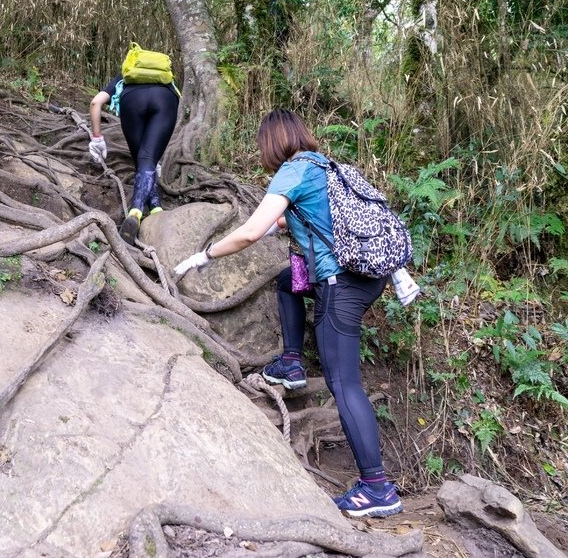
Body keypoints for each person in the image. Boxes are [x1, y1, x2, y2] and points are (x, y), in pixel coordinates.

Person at [172, 109, 403, 519]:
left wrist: (203, 256)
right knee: (286, 281)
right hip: (368, 276)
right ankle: (292, 362)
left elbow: (249, 232)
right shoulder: (327, 167)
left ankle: (376, 487)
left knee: (343, 383)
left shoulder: (292, 172)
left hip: (341, 285)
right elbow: (298, 219)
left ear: (272, 144)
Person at [88, 70, 179, 245]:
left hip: (132, 99)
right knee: (148, 160)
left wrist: (97, 139)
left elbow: (95, 102)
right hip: (165, 99)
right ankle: (153, 209)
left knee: (142, 160)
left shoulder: (123, 78)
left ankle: (138, 211)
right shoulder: (167, 80)